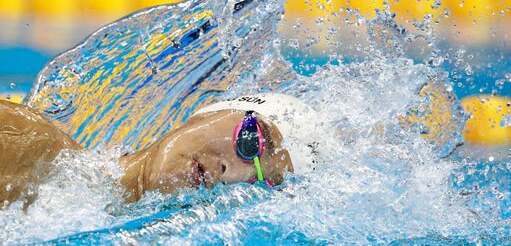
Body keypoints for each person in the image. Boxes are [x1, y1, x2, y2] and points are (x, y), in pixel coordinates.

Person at [0, 93, 318, 209]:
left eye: (257, 182)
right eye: (249, 142)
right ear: (208, 114)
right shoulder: (23, 140)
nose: (232, 173)